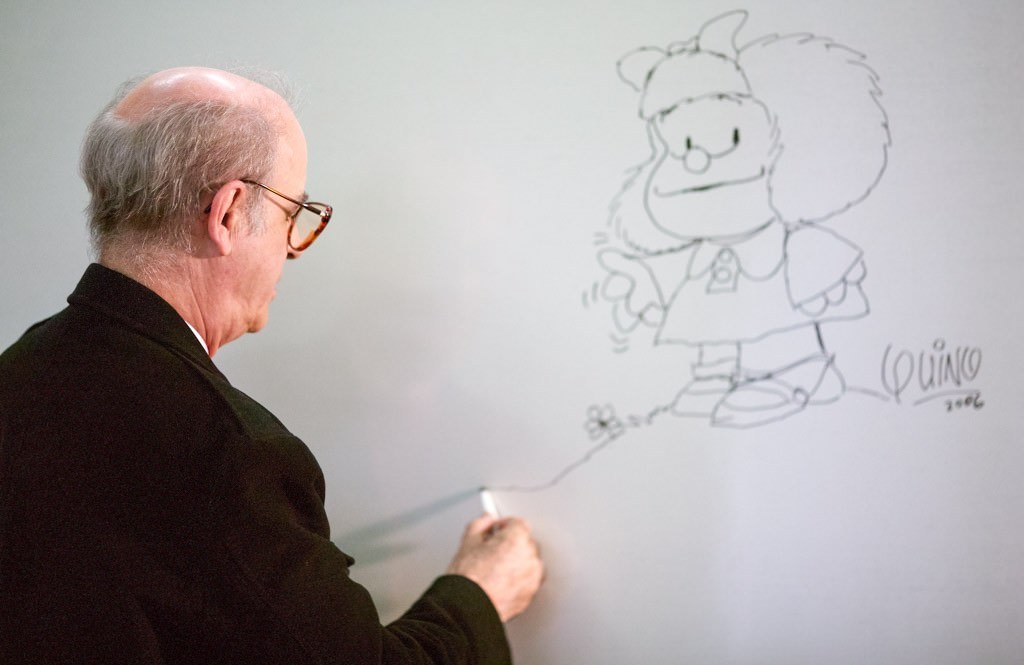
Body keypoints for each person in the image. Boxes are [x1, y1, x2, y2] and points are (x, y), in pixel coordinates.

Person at [0, 67, 543, 664]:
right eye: (295, 211)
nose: (292, 246)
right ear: (228, 214)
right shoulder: (227, 454)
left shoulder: (21, 371)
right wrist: (481, 595)